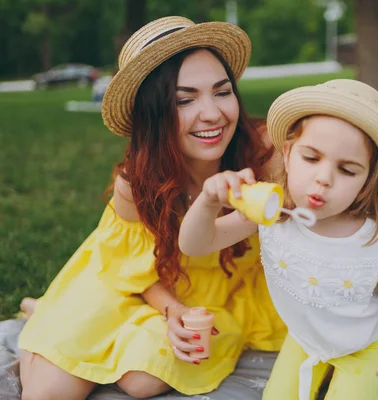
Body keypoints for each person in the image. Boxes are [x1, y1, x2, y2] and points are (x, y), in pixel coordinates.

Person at [18, 16, 287, 399]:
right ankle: (44, 316)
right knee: (50, 392)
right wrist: (171, 309)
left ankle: (52, 315)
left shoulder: (263, 154)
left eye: (222, 92)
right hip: (131, 284)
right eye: (185, 100)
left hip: (216, 294)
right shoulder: (137, 178)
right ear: (154, 111)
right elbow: (129, 265)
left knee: (143, 382)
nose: (212, 113)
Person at [179, 79, 378, 400]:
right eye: (312, 158)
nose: (324, 179)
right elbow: (194, 245)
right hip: (305, 339)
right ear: (288, 154)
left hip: (364, 345)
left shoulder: (370, 238)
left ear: (365, 183)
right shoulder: (273, 215)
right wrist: (208, 201)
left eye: (347, 170)